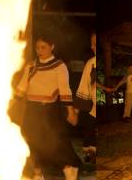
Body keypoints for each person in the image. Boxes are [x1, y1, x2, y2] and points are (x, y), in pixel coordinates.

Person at [15, 35, 80, 180]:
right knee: (31, 140)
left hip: (49, 110)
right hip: (31, 110)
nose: (39, 50)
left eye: (43, 47)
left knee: (55, 141)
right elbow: (22, 87)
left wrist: (70, 111)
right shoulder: (31, 66)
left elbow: (65, 90)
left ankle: (70, 168)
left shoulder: (59, 66)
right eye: (37, 47)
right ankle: (37, 173)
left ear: (52, 47)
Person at [75, 33, 96, 164]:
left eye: (95, 44)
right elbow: (84, 85)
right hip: (92, 105)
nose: (92, 47)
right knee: (90, 128)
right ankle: (91, 154)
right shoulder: (91, 63)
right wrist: (77, 108)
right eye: (92, 44)